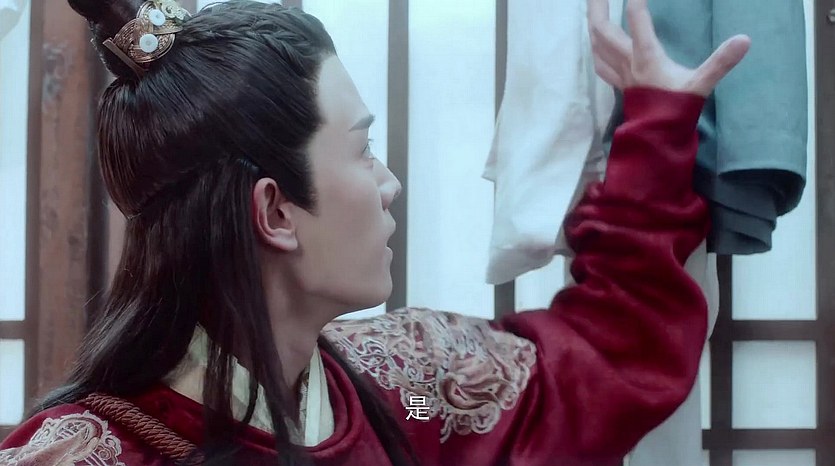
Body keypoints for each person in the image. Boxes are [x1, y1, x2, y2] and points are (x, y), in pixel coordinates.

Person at [0, 0, 750, 464]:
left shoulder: (410, 388)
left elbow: (609, 356)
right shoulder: (86, 456)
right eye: (362, 149)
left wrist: (654, 128)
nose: (388, 183)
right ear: (274, 212)